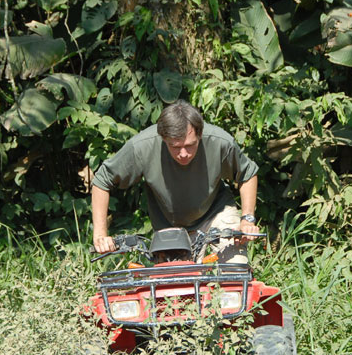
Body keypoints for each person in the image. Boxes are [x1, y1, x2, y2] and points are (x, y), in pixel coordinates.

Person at [91, 99, 259, 262]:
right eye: (176, 147)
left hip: (216, 213)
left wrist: (248, 219)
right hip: (170, 228)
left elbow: (248, 173)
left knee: (235, 269)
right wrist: (100, 235)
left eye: (190, 145)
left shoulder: (220, 142)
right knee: (174, 286)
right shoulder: (143, 146)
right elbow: (102, 180)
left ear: (200, 135)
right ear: (164, 139)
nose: (184, 153)